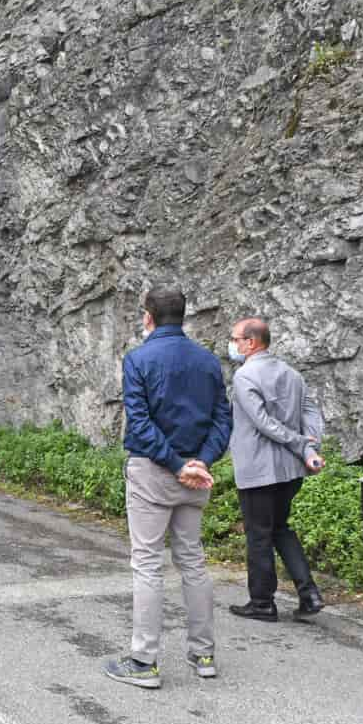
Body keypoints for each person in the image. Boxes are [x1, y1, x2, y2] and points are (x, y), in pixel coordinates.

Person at [104, 288, 232, 689]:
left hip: (153, 471)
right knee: (192, 561)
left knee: (147, 563)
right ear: (183, 316)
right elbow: (222, 421)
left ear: (148, 317)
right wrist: (200, 463)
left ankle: (144, 661)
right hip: (196, 472)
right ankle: (204, 654)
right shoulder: (208, 360)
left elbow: (140, 424)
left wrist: (177, 465)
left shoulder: (138, 359)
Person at [226, 317, 326, 623]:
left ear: (251, 343)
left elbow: (263, 423)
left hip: (259, 470)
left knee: (258, 535)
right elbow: (311, 412)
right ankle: (309, 594)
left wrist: (299, 442)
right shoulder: (291, 373)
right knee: (280, 528)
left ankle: (262, 603)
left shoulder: (245, 377)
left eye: (235, 339)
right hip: (289, 471)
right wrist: (308, 448)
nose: (232, 345)